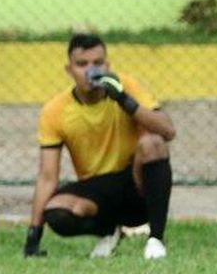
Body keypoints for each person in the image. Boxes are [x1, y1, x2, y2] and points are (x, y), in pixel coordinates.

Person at [23, 33, 176, 260]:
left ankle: (155, 240)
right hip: (96, 190)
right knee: (57, 212)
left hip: (134, 185)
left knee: (152, 144)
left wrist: (124, 100)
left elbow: (167, 131)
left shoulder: (125, 86)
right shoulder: (55, 110)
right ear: (69, 69)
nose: (91, 71)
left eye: (97, 63)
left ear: (107, 65)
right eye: (82, 64)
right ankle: (108, 230)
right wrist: (33, 235)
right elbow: (47, 177)